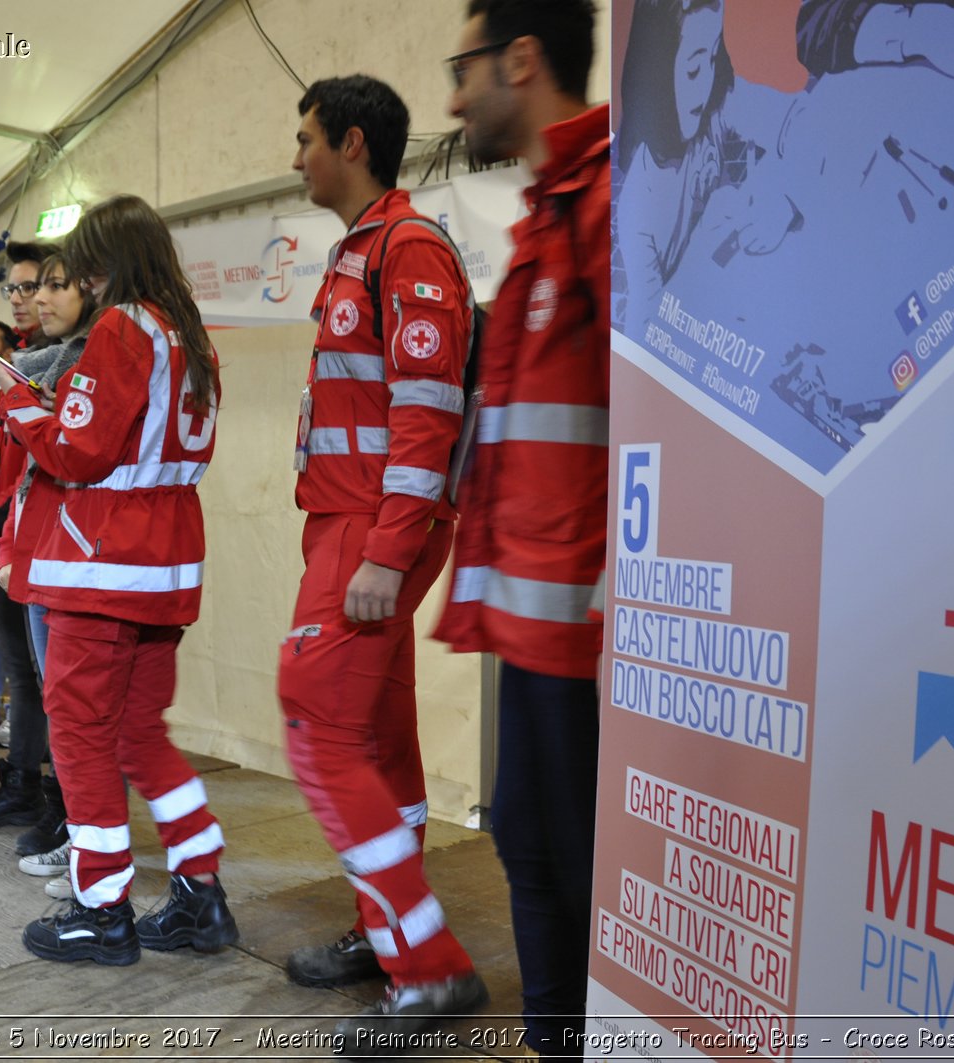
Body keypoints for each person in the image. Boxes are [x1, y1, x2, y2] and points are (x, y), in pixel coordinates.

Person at [278, 75, 486, 1042]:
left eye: (306, 139)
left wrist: (385, 554)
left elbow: (426, 412)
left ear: (352, 143)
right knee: (378, 737)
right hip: (348, 526)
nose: (296, 156)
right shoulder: (358, 251)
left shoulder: (407, 250)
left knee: (316, 725)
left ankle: (430, 963)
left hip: (374, 533)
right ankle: (387, 925)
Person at [0, 194, 236, 966]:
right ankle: (199, 886)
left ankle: (100, 905)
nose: (81, 278)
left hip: (101, 559)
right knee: (137, 732)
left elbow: (77, 452)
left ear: (111, 262)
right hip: (163, 559)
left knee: (83, 733)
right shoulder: (189, 332)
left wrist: (20, 402)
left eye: (89, 262)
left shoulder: (126, 325)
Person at [439, 1, 610, 1057]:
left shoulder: (608, 203)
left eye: (463, 69)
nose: (454, 99)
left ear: (522, 57)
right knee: (529, 848)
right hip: (530, 621)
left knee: (580, 865)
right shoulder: (547, 214)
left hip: (589, 634)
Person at [0, 254, 91, 843]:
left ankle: (70, 810)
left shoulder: (55, 367)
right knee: (26, 675)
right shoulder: (12, 371)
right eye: (19, 287)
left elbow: (41, 463)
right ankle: (28, 787)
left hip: (35, 539)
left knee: (61, 685)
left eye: (44, 286)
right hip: (3, 536)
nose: (24, 297)